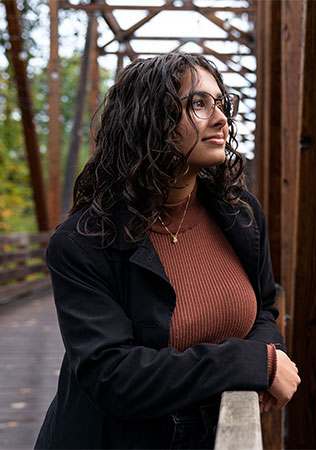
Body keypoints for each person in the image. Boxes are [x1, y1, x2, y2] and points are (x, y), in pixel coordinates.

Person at [35, 52, 300, 450]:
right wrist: (249, 363)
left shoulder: (240, 214)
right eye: (198, 104)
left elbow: (263, 309)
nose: (221, 118)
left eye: (222, 102)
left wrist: (270, 354)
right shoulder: (82, 242)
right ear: (148, 120)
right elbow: (114, 376)